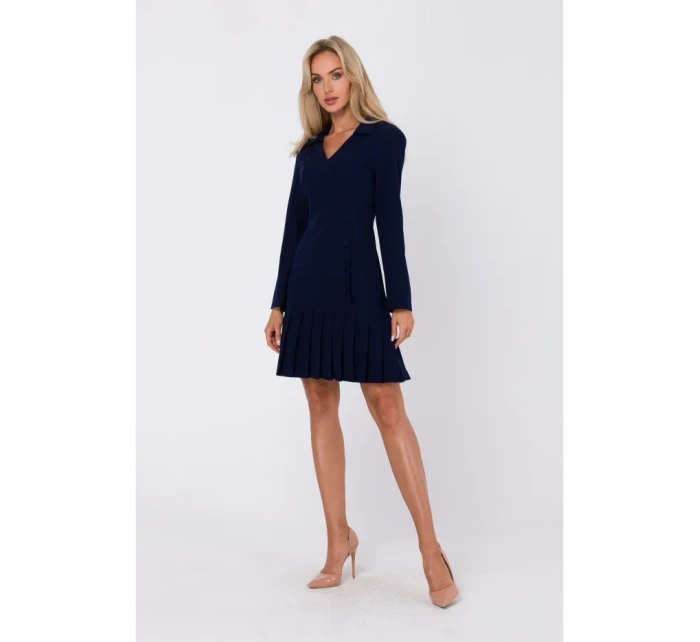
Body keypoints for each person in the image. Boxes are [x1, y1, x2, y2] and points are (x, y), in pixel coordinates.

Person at [264, 35, 459, 608]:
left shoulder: (384, 140)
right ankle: (338, 541)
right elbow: (294, 230)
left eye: (335, 75)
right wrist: (278, 303)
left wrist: (401, 300)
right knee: (320, 402)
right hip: (308, 290)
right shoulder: (308, 154)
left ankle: (430, 550)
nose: (327, 88)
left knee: (386, 405)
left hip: (361, 289)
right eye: (316, 79)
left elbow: (389, 221)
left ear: (353, 76)